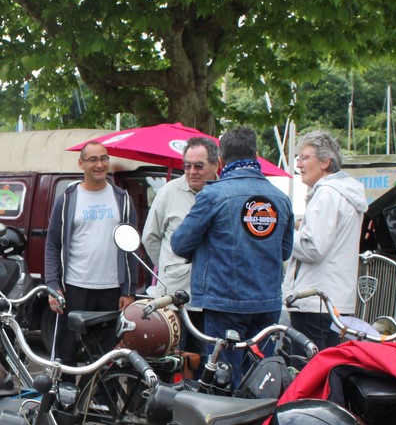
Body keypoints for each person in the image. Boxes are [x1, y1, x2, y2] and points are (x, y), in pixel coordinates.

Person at [171, 127, 294, 387]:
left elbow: (180, 243)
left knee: (224, 378)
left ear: (222, 160)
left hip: (224, 300)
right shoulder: (280, 198)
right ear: (257, 155)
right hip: (267, 302)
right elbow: (284, 251)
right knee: (260, 379)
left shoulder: (212, 195)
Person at [44, 141, 138, 364]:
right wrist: (53, 286)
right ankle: (65, 398)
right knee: (66, 354)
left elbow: (132, 247)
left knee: (106, 356)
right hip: (74, 288)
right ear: (81, 163)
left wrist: (129, 290)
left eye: (104, 158)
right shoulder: (67, 199)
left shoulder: (123, 200)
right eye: (93, 159)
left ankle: (101, 398)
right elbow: (52, 245)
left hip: (112, 291)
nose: (100, 164)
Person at [282, 130, 368, 350]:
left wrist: (281, 234)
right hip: (337, 300)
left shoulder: (327, 193)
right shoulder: (346, 192)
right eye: (298, 158)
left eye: (304, 157)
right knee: (329, 371)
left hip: (314, 300)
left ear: (326, 162)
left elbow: (313, 248)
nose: (298, 164)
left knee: (306, 373)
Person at [141, 135, 220, 355]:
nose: (192, 171)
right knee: (175, 359)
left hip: (212, 296)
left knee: (207, 360)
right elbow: (150, 237)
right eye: (187, 166)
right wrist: (170, 267)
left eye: (198, 166)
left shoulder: (223, 193)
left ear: (216, 165)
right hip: (175, 295)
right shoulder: (169, 191)